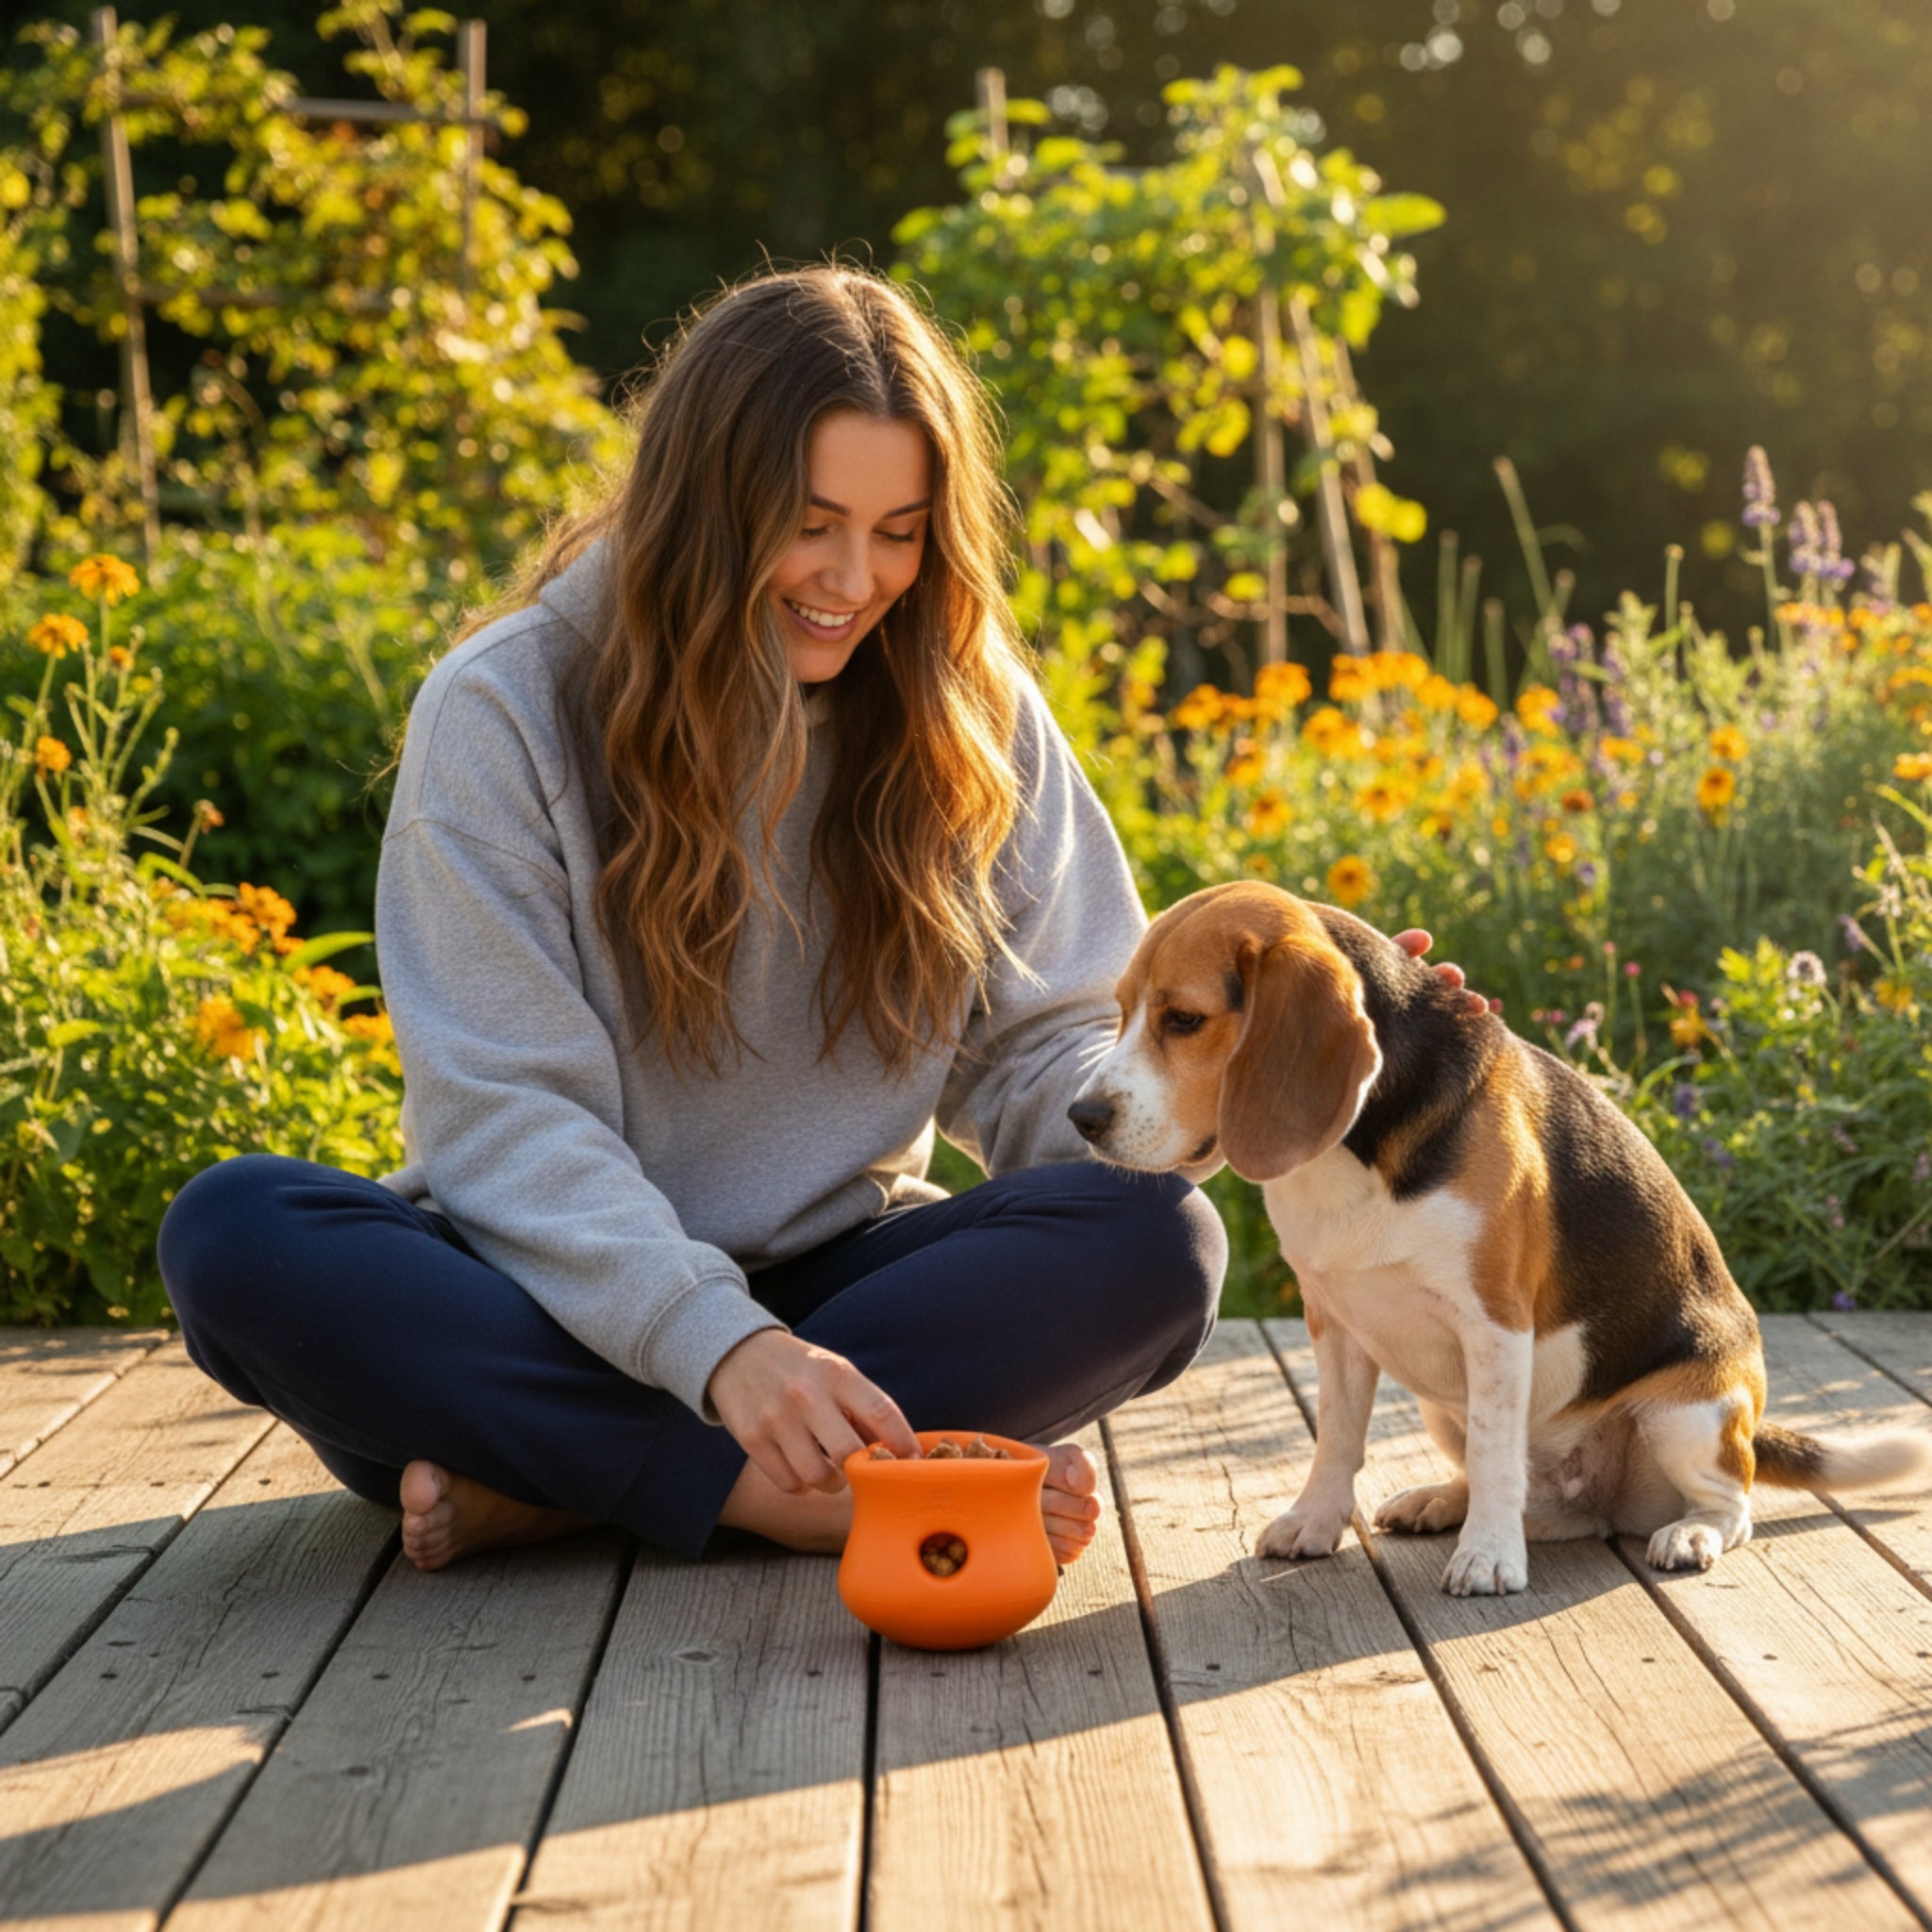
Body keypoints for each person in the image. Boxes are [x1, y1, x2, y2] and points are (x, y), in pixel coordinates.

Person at [158, 264, 1480, 1574]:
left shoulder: (972, 712)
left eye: (900, 530)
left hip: (844, 1294)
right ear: (702, 504)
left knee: (1155, 1245)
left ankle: (575, 1486)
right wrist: (719, 1350)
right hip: (554, 1299)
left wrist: (1263, 1069)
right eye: (812, 522)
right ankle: (766, 1492)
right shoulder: (504, 709)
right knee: (238, 1239)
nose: (857, 577)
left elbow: (1051, 1055)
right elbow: (503, 1117)